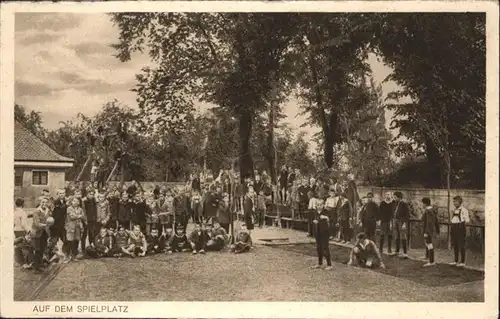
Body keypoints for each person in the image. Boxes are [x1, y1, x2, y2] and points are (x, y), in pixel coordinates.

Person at [311, 200, 332, 270]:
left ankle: (329, 264)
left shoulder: (326, 212)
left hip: (325, 232)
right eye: (318, 205)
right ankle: (320, 263)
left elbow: (331, 220)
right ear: (316, 206)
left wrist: (326, 218)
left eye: (321, 205)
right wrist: (314, 222)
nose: (319, 206)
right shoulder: (315, 212)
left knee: (325, 247)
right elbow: (314, 220)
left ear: (323, 205)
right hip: (318, 232)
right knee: (318, 248)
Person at [31, 198, 51, 272]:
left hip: (44, 233)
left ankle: (39, 264)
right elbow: (37, 223)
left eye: (46, 202)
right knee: (37, 250)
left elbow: (49, 219)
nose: (44, 204)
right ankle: (36, 268)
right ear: (40, 203)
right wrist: (46, 224)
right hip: (36, 233)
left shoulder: (47, 210)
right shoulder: (37, 211)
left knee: (42, 249)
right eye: (43, 202)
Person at [450, 195, 470, 267]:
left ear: (459, 202)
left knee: (461, 245)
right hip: (454, 228)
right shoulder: (454, 210)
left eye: (455, 202)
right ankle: (455, 261)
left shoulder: (464, 210)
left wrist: (462, 226)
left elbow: (467, 221)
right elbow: (452, 220)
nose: (454, 203)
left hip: (460, 228)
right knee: (455, 245)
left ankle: (462, 262)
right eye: (453, 202)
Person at [65, 197, 85, 262]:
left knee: (77, 240)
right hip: (71, 227)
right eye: (74, 201)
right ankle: (67, 256)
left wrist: (78, 216)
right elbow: (71, 217)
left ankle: (74, 255)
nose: (75, 202)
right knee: (70, 241)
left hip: (78, 227)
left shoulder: (80, 209)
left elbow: (83, 216)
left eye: (77, 201)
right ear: (71, 202)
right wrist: (78, 216)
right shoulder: (69, 208)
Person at [421, 197, 440, 267]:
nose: (422, 205)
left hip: (428, 230)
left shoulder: (428, 211)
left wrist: (426, 232)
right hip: (430, 230)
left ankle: (431, 261)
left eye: (422, 203)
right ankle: (428, 258)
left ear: (425, 204)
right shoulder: (431, 210)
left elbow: (429, 223)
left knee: (429, 245)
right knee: (428, 244)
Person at [391, 191, 410, 258]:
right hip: (395, 220)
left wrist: (404, 223)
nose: (394, 198)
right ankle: (397, 251)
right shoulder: (394, 203)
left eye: (395, 197)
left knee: (403, 237)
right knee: (396, 236)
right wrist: (392, 221)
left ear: (399, 197)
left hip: (401, 222)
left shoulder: (404, 204)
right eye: (393, 197)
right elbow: (392, 212)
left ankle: (405, 253)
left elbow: (407, 215)